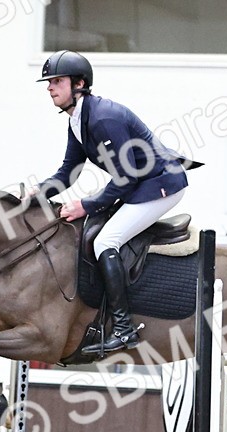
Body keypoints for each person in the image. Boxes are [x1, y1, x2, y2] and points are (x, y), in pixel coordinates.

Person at [33, 50, 188, 356]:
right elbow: (69, 172)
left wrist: (86, 206)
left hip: (161, 184)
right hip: (139, 184)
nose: (50, 87)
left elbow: (127, 177)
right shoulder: (77, 119)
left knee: (106, 241)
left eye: (57, 81)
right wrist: (37, 194)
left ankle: (123, 329)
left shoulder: (104, 118)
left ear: (79, 84)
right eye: (49, 82)